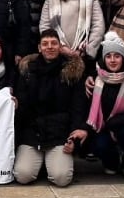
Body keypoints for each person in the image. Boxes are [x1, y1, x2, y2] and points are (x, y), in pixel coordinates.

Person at [13, 30, 89, 188]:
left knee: (61, 178)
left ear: (60, 47)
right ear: (39, 48)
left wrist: (76, 134)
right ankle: (40, 162)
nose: (50, 47)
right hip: (33, 134)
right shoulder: (27, 71)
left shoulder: (71, 73)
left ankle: (52, 161)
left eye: (54, 43)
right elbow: (23, 106)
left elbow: (78, 106)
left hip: (59, 134)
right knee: (23, 175)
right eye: (45, 44)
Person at [83, 32, 124, 180]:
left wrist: (113, 124)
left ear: (123, 58)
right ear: (103, 58)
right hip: (103, 127)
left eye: (117, 56)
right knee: (98, 143)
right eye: (108, 56)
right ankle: (111, 162)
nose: (112, 60)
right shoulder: (96, 79)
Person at [39, 0, 106, 70]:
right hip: (57, 54)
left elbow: (98, 25)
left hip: (82, 54)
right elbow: (45, 26)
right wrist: (59, 47)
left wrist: (86, 50)